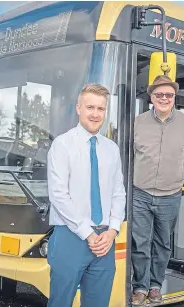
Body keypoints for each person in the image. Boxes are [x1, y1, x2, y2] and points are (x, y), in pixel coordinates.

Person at [46, 84, 126, 307]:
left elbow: (119, 192)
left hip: (104, 240)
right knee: (60, 302)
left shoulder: (111, 148)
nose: (95, 114)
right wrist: (88, 234)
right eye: (90, 107)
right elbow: (59, 195)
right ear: (78, 108)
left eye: (101, 108)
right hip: (71, 236)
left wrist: (112, 230)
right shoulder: (62, 145)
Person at [131, 75, 184, 305]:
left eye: (169, 95)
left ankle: (154, 286)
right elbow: (128, 154)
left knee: (162, 244)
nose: (164, 98)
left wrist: (176, 172)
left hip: (170, 195)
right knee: (140, 243)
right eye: (159, 94)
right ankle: (140, 287)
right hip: (140, 193)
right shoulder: (138, 122)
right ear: (152, 97)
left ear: (174, 97)